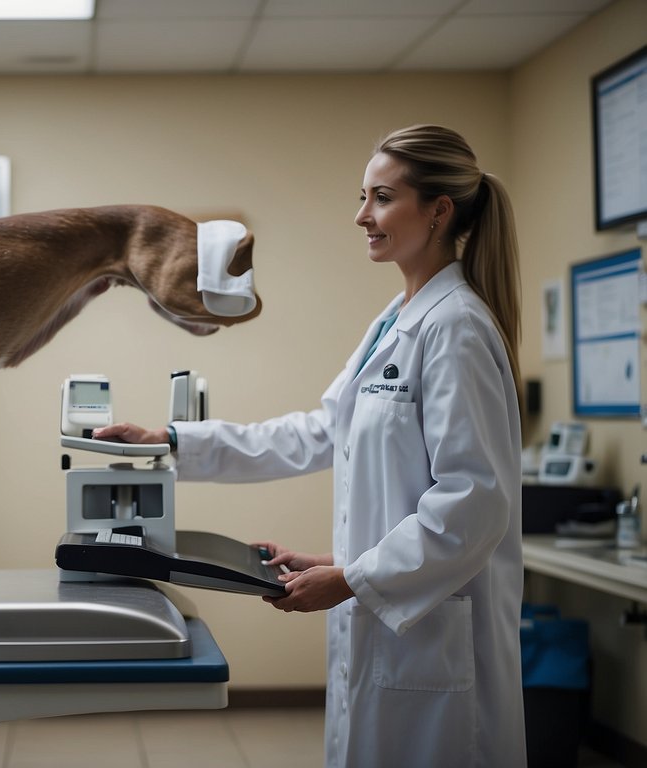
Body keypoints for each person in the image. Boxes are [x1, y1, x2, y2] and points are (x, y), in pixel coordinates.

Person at [94, 125, 525, 768]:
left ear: (438, 210)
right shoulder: (396, 320)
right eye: (363, 197)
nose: (362, 216)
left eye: (381, 198)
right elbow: (320, 432)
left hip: (435, 650)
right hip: (394, 627)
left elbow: (473, 503)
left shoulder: (455, 327)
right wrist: (173, 440)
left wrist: (352, 576)